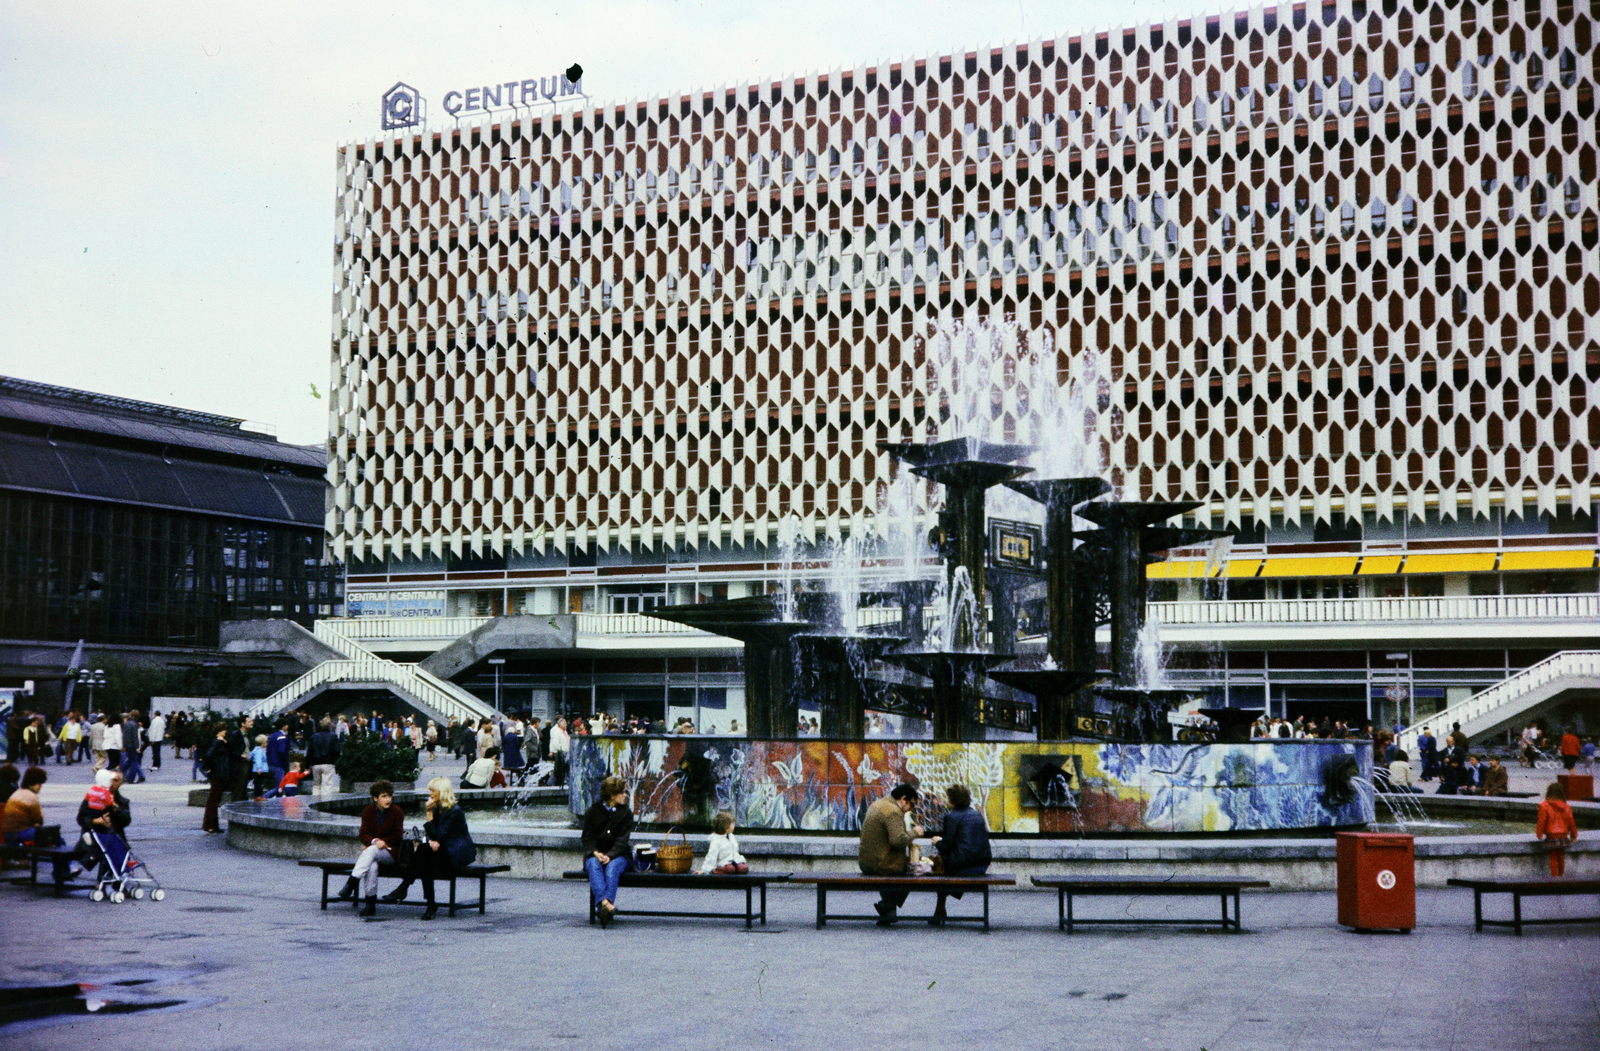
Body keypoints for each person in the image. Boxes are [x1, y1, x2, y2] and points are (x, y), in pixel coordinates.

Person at [382, 777, 474, 920]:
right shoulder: (439, 809)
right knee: (425, 860)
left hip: (456, 853)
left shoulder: (454, 812)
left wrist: (429, 814)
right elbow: (434, 835)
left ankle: (405, 889)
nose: (430, 793)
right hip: (442, 851)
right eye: (430, 790)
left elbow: (439, 834)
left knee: (424, 853)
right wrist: (433, 840)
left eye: (433, 790)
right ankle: (429, 904)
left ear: (442, 792)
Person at [859, 783, 924, 926]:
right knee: (912, 871)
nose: (911, 810)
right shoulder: (893, 811)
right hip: (879, 864)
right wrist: (915, 832)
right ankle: (887, 905)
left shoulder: (878, 804)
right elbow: (898, 841)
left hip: (866, 861)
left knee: (899, 864)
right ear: (903, 799)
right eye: (911, 805)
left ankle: (888, 914)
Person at [338, 780, 405, 916]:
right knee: (372, 866)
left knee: (371, 850)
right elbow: (363, 834)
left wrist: (383, 842)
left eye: (389, 796)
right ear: (375, 798)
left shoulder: (397, 812)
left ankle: (351, 883)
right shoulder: (368, 811)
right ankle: (370, 904)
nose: (388, 800)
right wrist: (375, 841)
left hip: (391, 852)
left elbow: (398, 836)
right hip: (373, 852)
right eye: (384, 796)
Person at [929, 783, 991, 925]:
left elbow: (947, 846)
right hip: (982, 864)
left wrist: (937, 842)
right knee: (943, 861)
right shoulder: (976, 814)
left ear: (952, 800)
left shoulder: (952, 817)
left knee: (939, 862)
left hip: (965, 865)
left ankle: (939, 911)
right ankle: (939, 910)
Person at [581, 775, 634, 926]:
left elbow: (622, 840)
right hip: (596, 853)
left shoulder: (626, 813)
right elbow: (587, 838)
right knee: (592, 864)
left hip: (619, 855)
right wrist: (595, 852)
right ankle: (607, 904)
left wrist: (610, 855)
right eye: (622, 792)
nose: (625, 795)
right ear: (612, 796)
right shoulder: (593, 812)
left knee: (612, 868)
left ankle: (602, 906)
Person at [1536, 781, 1579, 877]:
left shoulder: (1544, 805)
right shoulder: (1567, 806)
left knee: (1553, 857)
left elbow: (1541, 821)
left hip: (1551, 835)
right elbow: (1571, 822)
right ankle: (1561, 877)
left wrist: (1539, 834)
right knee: (1561, 857)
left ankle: (1554, 878)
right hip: (1563, 835)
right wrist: (1573, 835)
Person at [1, 767, 49, 845]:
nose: (41, 787)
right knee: (55, 837)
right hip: (19, 832)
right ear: (34, 783)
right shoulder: (31, 796)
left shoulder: (18, 792)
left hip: (7, 833)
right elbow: (39, 820)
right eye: (39, 784)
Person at [200, 725, 232, 834]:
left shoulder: (221, 741)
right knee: (213, 799)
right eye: (223, 730)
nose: (225, 731)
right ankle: (209, 825)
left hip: (220, 773)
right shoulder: (216, 742)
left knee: (215, 799)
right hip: (217, 773)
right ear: (218, 731)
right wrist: (208, 768)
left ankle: (213, 825)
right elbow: (209, 754)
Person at [698, 810, 749, 874]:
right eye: (732, 824)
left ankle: (736, 867)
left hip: (734, 861)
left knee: (743, 869)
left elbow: (735, 851)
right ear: (726, 826)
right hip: (723, 863)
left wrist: (738, 861)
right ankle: (716, 871)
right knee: (729, 869)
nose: (734, 825)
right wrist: (705, 869)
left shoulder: (731, 837)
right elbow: (711, 856)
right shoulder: (716, 841)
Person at [308, 717, 341, 797]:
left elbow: (309, 751)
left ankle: (315, 802)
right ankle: (325, 803)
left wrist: (307, 765)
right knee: (327, 785)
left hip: (316, 763)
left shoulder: (314, 737)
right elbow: (337, 750)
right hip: (328, 763)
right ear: (330, 726)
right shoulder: (333, 736)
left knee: (316, 785)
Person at [120, 712, 146, 783]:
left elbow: (124, 735)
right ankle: (130, 778)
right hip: (132, 745)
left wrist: (123, 744)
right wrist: (137, 747)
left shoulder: (126, 724)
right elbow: (135, 737)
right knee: (134, 762)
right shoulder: (134, 724)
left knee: (130, 761)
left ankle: (119, 771)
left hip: (127, 744)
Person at [266, 721, 291, 791]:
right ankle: (265, 796)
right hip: (279, 763)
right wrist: (286, 762)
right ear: (283, 726)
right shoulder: (281, 736)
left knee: (278, 786)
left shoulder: (273, 735)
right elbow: (282, 751)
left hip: (271, 762)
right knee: (280, 787)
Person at [549, 717, 571, 787]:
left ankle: (563, 781)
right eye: (564, 723)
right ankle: (552, 782)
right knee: (559, 769)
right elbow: (555, 742)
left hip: (566, 751)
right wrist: (560, 749)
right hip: (561, 753)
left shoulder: (565, 732)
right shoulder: (557, 732)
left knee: (564, 768)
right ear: (560, 724)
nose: (566, 725)